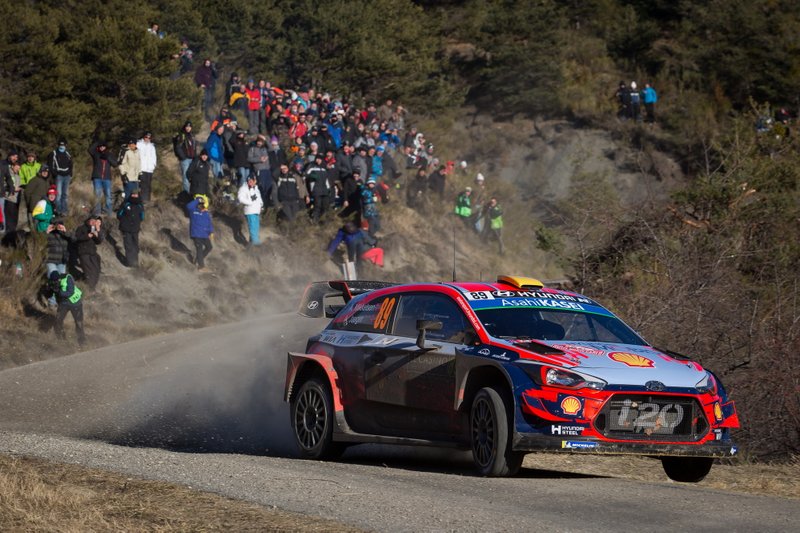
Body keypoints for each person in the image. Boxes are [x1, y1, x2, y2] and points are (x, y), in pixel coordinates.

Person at [46, 270, 86, 345]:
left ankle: (82, 342)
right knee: (58, 320)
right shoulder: (52, 282)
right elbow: (49, 295)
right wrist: (49, 289)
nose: (55, 282)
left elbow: (70, 292)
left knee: (79, 323)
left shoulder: (67, 278)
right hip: (63, 304)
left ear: (59, 278)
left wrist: (59, 292)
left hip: (75, 302)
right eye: (54, 281)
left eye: (57, 280)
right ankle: (61, 340)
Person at [44, 218, 71, 306]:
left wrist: (65, 231)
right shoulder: (49, 235)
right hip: (50, 260)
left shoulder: (65, 235)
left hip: (62, 262)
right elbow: (40, 242)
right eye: (55, 225)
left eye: (59, 225)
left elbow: (74, 239)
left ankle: (56, 300)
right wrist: (46, 232)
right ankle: (52, 302)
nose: (57, 227)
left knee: (61, 282)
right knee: (54, 279)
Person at [88, 140, 119, 216]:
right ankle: (97, 212)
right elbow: (90, 150)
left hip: (107, 178)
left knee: (108, 195)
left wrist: (108, 157)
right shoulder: (96, 154)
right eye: (100, 146)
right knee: (97, 195)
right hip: (97, 177)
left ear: (106, 147)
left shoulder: (109, 155)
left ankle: (108, 212)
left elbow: (115, 164)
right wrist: (97, 142)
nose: (102, 148)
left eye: (103, 146)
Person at [74, 215, 105, 289]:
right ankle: (90, 288)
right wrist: (87, 236)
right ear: (88, 221)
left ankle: (92, 286)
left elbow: (99, 241)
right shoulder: (81, 228)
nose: (93, 222)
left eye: (94, 221)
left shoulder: (93, 229)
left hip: (92, 253)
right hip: (84, 253)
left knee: (96, 270)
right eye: (92, 221)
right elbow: (76, 238)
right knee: (89, 271)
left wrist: (97, 232)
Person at [117, 190, 144, 267]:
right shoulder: (125, 203)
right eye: (133, 194)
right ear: (131, 195)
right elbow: (119, 214)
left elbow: (142, 217)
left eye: (136, 195)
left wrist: (136, 222)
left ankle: (135, 262)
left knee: (135, 245)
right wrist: (124, 222)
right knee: (128, 245)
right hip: (126, 229)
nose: (134, 196)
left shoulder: (140, 205)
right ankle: (130, 263)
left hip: (135, 229)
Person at [187, 196, 214, 271]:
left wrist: (211, 232)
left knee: (209, 247)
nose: (203, 206)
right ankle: (201, 266)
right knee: (199, 248)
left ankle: (197, 260)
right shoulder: (193, 211)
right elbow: (189, 206)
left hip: (204, 234)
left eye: (204, 205)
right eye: (201, 205)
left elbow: (209, 223)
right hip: (196, 233)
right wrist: (197, 200)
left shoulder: (206, 213)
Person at [47, 139, 73, 215]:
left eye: (63, 145)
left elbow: (71, 164)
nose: (62, 147)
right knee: (58, 194)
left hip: (67, 176)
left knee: (65, 194)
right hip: (59, 176)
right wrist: (55, 174)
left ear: (66, 146)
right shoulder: (53, 153)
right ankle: (58, 210)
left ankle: (64, 211)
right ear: (58, 145)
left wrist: (70, 173)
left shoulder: (68, 154)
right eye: (60, 145)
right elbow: (50, 165)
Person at [237, 175, 263, 246]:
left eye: (252, 180)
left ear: (255, 181)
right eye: (249, 181)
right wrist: (250, 203)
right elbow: (240, 198)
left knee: (256, 228)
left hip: (256, 211)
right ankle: (256, 246)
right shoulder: (244, 188)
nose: (251, 182)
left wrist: (261, 205)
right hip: (250, 211)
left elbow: (259, 198)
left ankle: (251, 245)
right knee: (253, 228)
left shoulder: (256, 188)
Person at [174, 120, 197, 193]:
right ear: (185, 127)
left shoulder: (192, 136)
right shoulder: (182, 136)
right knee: (186, 176)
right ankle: (186, 193)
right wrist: (183, 157)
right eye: (187, 126)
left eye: (189, 127)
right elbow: (178, 147)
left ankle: (192, 192)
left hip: (192, 159)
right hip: (185, 160)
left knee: (192, 176)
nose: (188, 128)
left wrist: (195, 157)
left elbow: (194, 148)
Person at [136, 132, 157, 202]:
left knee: (148, 185)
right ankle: (141, 200)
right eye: (146, 137)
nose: (147, 139)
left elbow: (154, 157)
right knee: (142, 184)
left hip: (149, 169)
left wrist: (153, 165)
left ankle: (147, 200)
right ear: (143, 137)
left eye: (149, 138)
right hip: (141, 168)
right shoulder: (138, 144)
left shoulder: (152, 146)